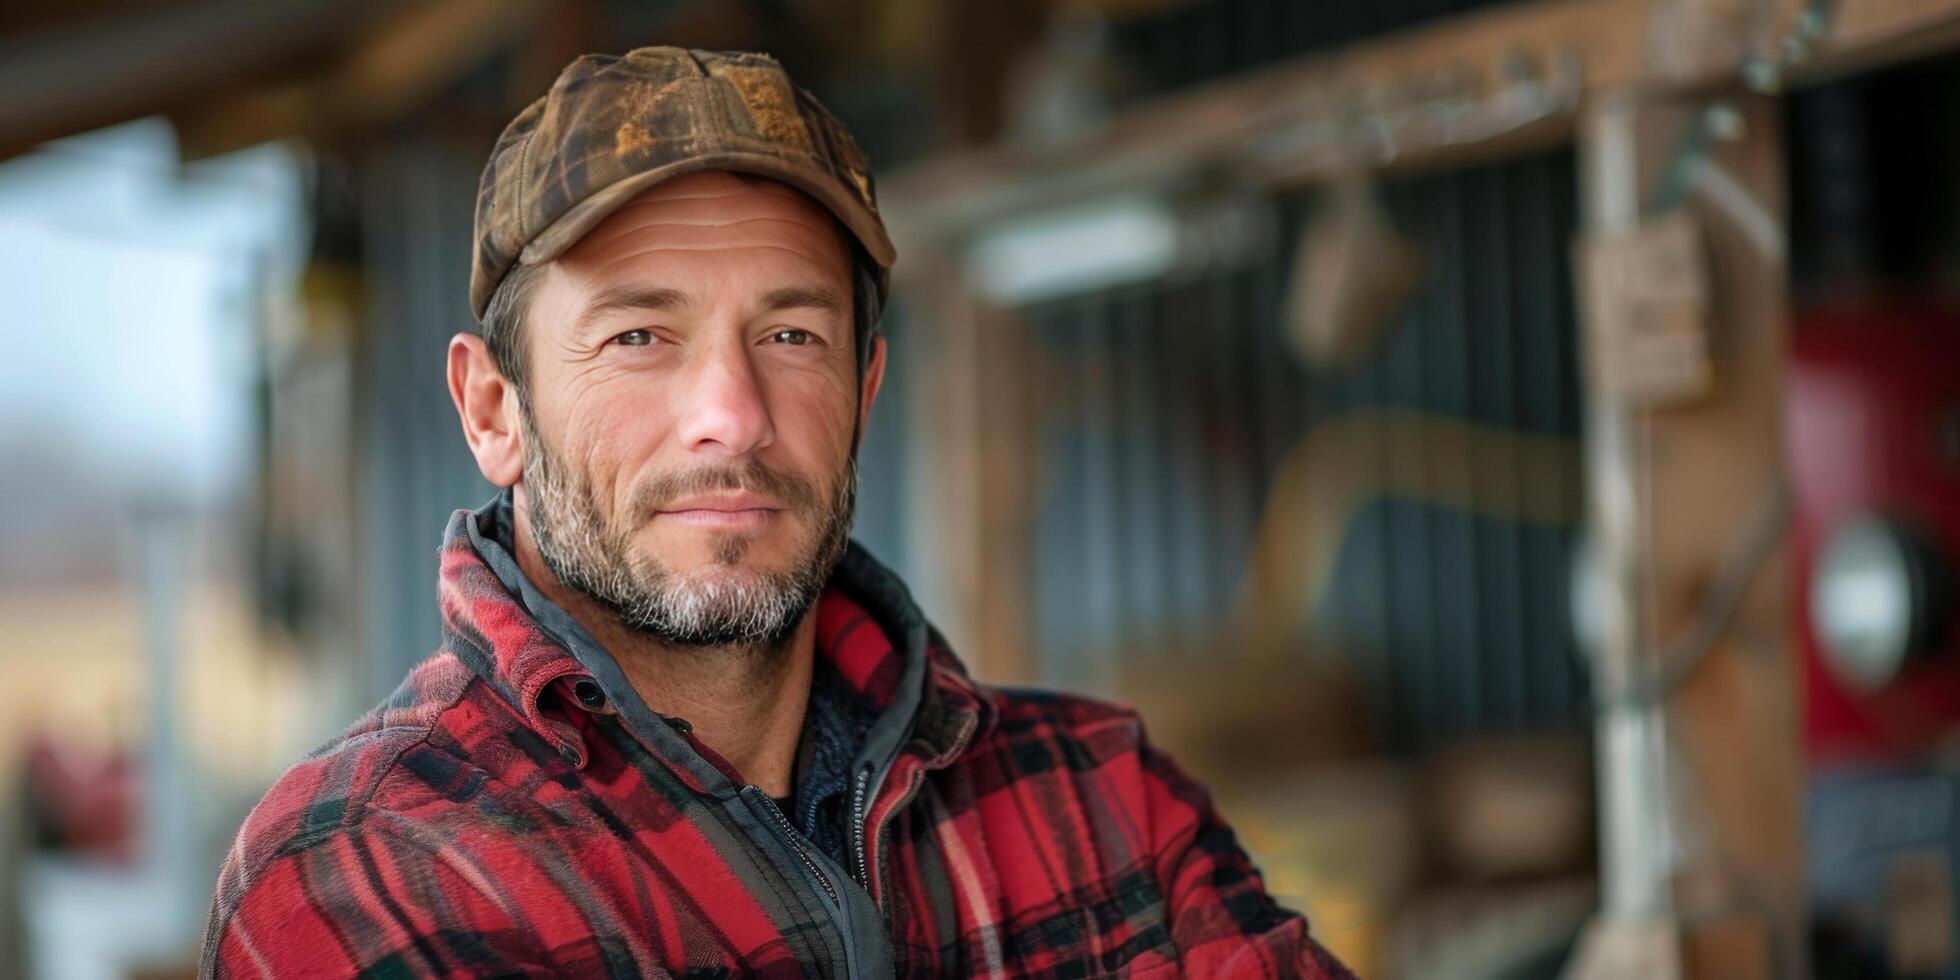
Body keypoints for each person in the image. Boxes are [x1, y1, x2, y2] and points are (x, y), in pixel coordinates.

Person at [199, 47, 1354, 979]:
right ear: (494, 408)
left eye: (790, 333)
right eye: (639, 336)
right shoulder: (371, 873)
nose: (731, 415)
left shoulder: (1099, 796)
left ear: (862, 389)